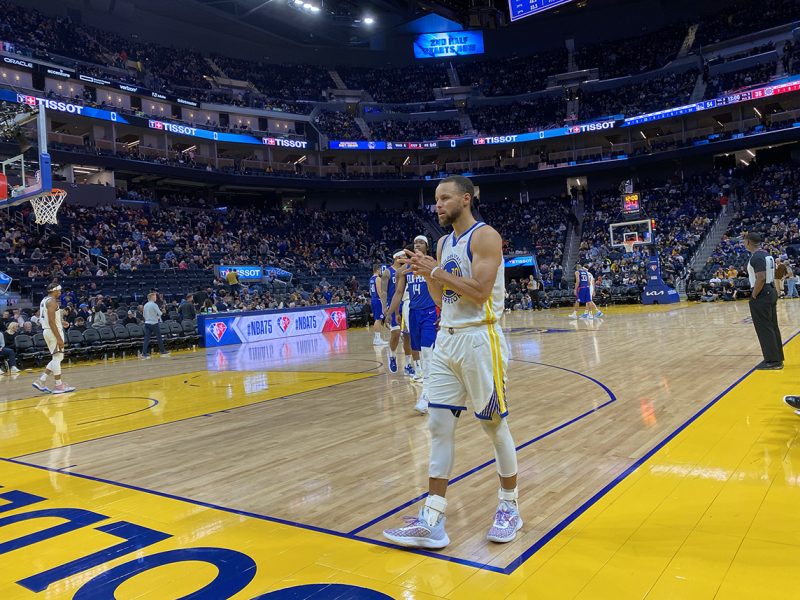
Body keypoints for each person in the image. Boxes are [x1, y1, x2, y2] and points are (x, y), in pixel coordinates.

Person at [383, 175, 521, 549]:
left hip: (481, 339)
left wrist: (438, 271)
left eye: (444, 198)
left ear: (466, 198)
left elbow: (478, 292)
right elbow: (442, 294)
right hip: (448, 339)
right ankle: (433, 519)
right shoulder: (444, 242)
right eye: (435, 199)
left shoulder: (485, 236)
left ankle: (510, 507)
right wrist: (426, 271)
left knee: (494, 427)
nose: (437, 205)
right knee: (439, 427)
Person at [387, 235, 438, 413]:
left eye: (421, 243)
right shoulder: (405, 269)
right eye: (415, 242)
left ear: (427, 246)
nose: (417, 245)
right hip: (414, 312)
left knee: (427, 351)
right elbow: (399, 292)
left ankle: (427, 395)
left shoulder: (432, 263)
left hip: (431, 311)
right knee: (420, 351)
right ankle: (435, 387)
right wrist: (391, 312)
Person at [744, 232, 783, 370]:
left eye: (744, 241)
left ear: (748, 242)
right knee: (772, 326)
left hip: (762, 293)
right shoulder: (766, 254)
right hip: (770, 290)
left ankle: (773, 361)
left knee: (764, 328)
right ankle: (777, 358)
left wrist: (754, 295)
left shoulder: (757, 257)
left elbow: (760, 277)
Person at [32, 282, 75, 394]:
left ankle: (41, 381)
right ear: (54, 291)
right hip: (53, 331)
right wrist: (59, 338)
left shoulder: (44, 300)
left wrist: (60, 322)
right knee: (57, 358)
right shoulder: (52, 302)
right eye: (59, 291)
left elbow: (47, 319)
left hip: (48, 330)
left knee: (57, 357)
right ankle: (59, 385)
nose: (60, 293)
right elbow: (51, 322)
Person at [382, 251, 407, 373]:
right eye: (403, 256)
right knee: (396, 333)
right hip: (393, 305)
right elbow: (383, 291)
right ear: (397, 258)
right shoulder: (387, 272)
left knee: (408, 336)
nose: (405, 258)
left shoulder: (407, 270)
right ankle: (392, 355)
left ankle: (409, 364)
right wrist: (384, 307)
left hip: (406, 304)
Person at [142, 292, 170, 358]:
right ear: (152, 297)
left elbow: (143, 315)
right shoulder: (154, 305)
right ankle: (162, 351)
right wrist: (163, 311)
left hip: (147, 323)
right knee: (159, 338)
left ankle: (144, 353)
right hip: (154, 323)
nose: (156, 298)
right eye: (155, 297)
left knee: (146, 339)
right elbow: (160, 313)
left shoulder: (145, 305)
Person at [369, 263, 388, 346]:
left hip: (373, 299)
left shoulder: (371, 279)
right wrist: (384, 302)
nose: (381, 271)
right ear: (377, 270)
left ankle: (376, 338)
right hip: (377, 299)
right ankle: (377, 339)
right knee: (378, 319)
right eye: (380, 270)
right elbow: (380, 291)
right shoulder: (378, 279)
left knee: (377, 319)